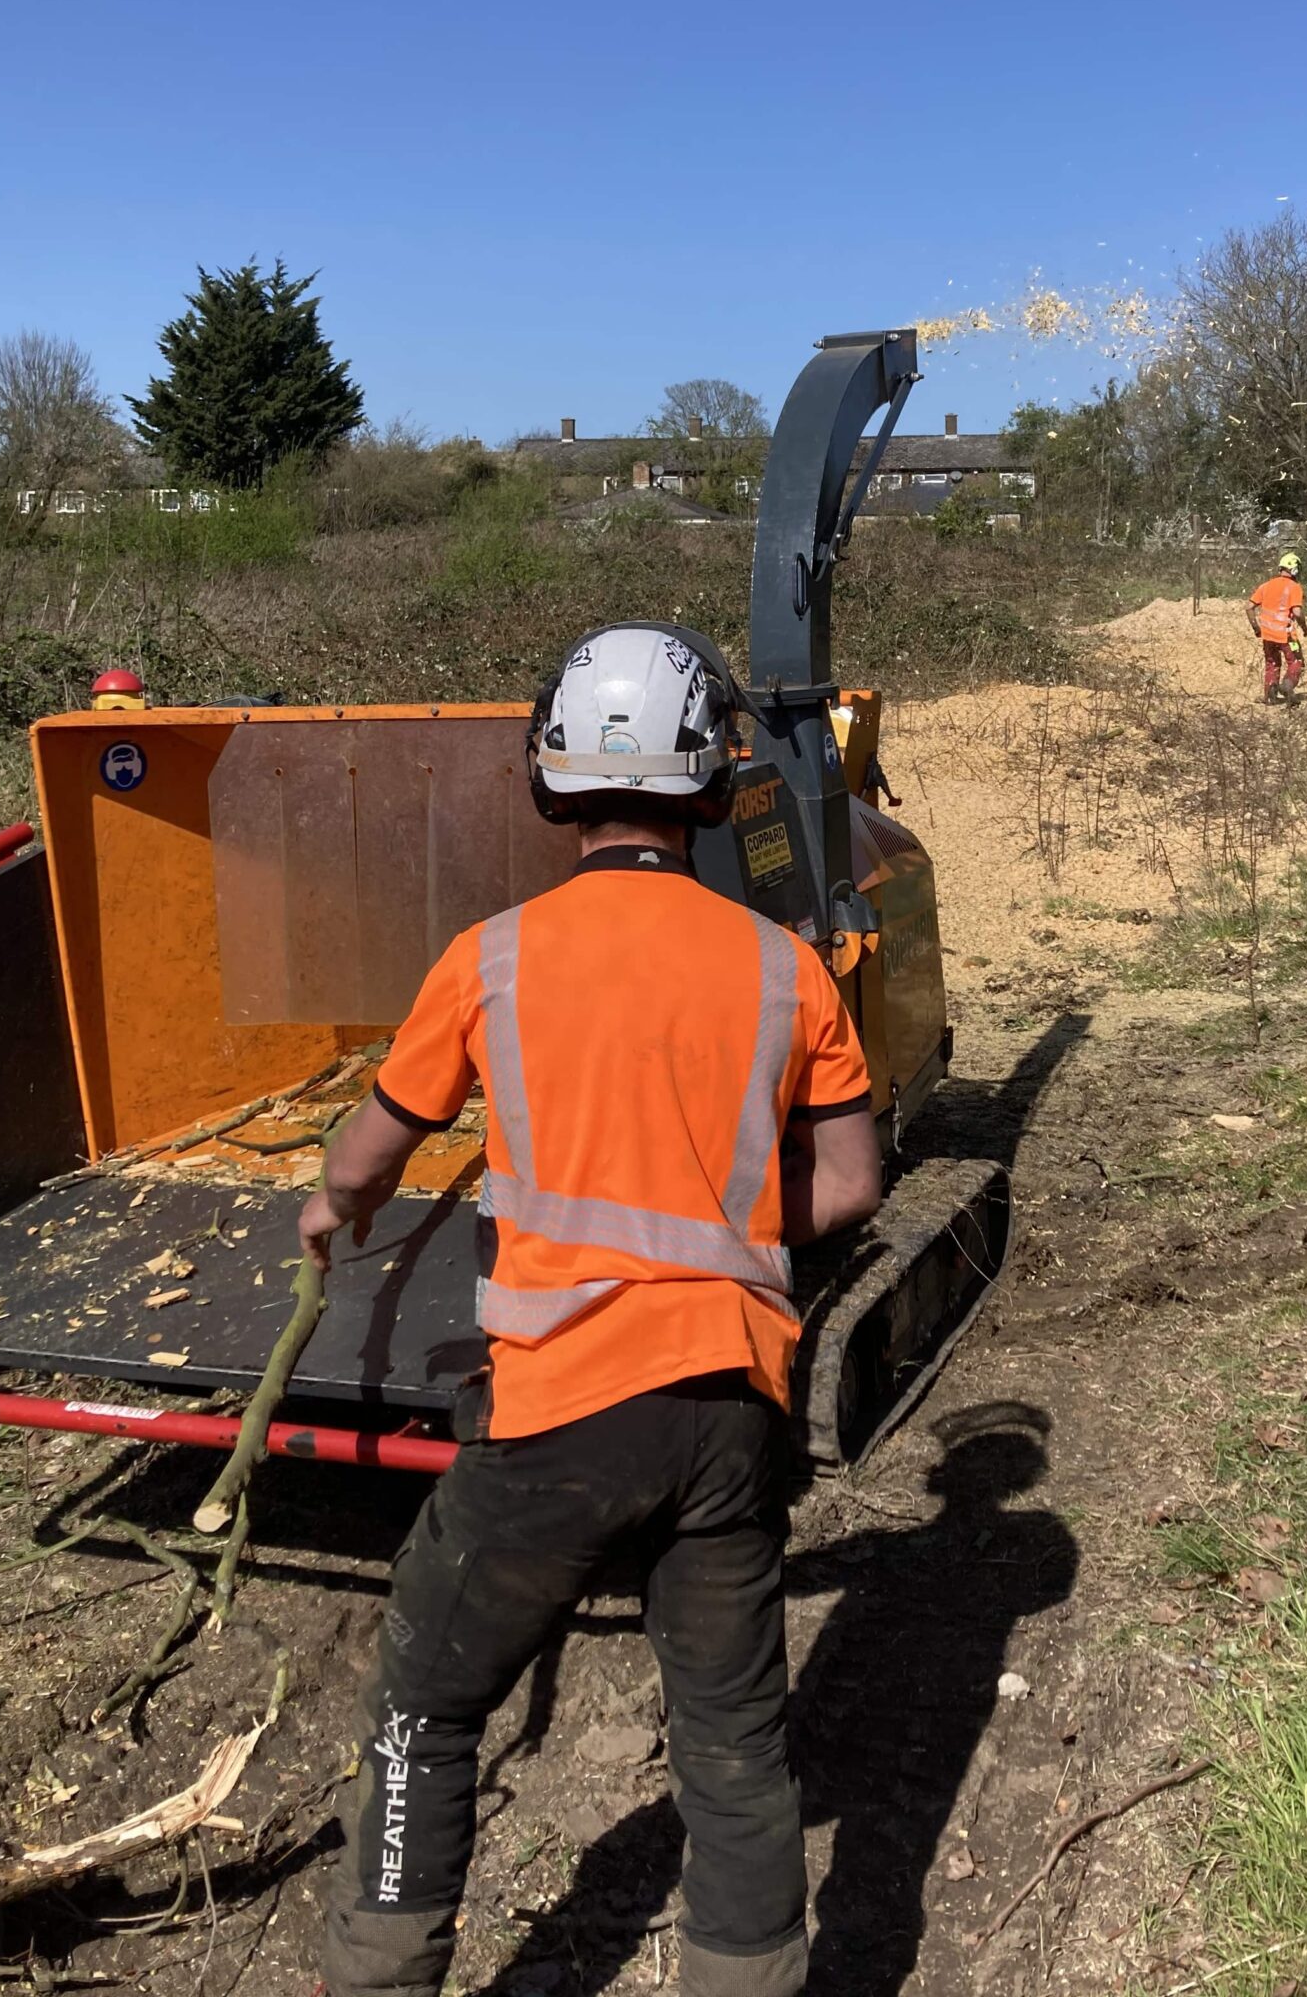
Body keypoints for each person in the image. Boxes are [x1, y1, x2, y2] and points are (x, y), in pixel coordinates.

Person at [305, 623, 882, 1997]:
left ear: (551, 783)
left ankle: (380, 1976)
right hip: (733, 1407)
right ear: (710, 784)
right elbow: (852, 1182)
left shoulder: (491, 958)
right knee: (735, 1741)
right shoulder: (781, 969)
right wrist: (718, 1225)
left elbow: (364, 1154)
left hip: (563, 1412)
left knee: (428, 1711)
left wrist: (339, 1209)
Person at [1246, 549, 1307, 704]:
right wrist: (1304, 627)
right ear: (1295, 569)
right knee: (1296, 662)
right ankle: (1287, 686)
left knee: (1272, 663)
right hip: (1287, 636)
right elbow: (1297, 612)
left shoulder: (1266, 586)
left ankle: (1270, 696)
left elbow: (1249, 607)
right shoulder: (1294, 587)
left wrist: (1256, 628)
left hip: (1267, 635)